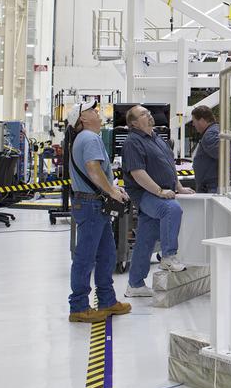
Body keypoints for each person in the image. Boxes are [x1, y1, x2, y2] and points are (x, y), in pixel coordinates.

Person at [65, 101, 132, 322]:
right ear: (82, 119)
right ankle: (79, 307)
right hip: (91, 205)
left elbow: (96, 171)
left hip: (92, 204)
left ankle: (107, 300)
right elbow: (93, 169)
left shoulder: (85, 139)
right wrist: (112, 191)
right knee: (86, 257)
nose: (97, 112)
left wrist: (112, 187)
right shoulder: (89, 138)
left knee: (107, 254)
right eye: (92, 110)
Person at [123, 105, 194, 297]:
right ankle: (168, 256)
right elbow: (138, 173)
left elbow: (169, 165)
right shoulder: (133, 142)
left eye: (148, 112)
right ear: (134, 123)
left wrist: (178, 187)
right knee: (171, 210)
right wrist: (160, 191)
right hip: (146, 194)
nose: (149, 115)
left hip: (161, 192)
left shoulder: (157, 138)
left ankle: (135, 284)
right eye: (143, 114)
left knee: (145, 240)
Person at [190, 104, 220, 193]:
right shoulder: (215, 130)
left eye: (194, 121)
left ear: (202, 120)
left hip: (211, 186)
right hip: (211, 185)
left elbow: (223, 155)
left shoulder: (210, 135)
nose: (193, 124)